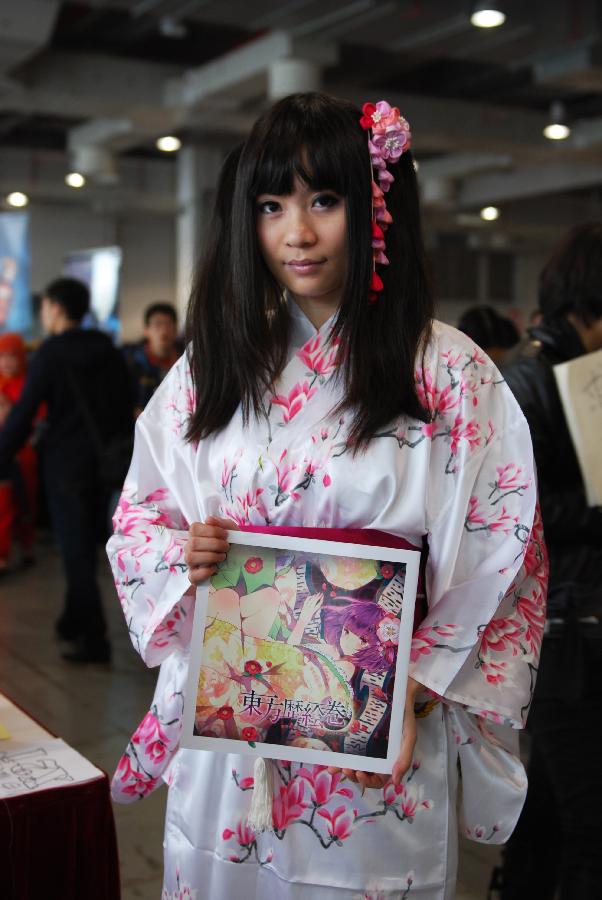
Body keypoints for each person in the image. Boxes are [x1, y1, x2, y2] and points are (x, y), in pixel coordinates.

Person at [107, 95, 546, 898]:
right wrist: (185, 552)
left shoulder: (448, 372)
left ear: (377, 205)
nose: (295, 234)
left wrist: (412, 691)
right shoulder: (215, 365)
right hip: (235, 722)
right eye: (271, 206)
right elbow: (141, 515)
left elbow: (504, 551)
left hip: (377, 718)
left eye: (324, 201)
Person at [497, 223, 602, 900]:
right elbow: (515, 516)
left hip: (581, 624)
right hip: (561, 637)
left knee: (551, 815)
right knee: (592, 828)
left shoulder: (578, 374)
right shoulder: (528, 382)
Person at [0, 277, 134, 663]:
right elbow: (124, 405)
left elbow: (24, 414)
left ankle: (94, 639)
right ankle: (73, 620)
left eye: (44, 307)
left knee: (75, 554)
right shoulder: (107, 349)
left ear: (56, 308)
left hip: (65, 469)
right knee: (88, 549)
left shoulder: (50, 354)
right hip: (107, 465)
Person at [0, 333, 41, 572]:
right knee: (3, 506)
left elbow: (37, 419)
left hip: (24, 456)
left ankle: (26, 546)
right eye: (2, 357)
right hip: (4, 457)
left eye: (12, 357)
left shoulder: (29, 385)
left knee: (26, 505)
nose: (7, 362)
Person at [122, 302, 182, 416]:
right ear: (146, 330)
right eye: (158, 324)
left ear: (175, 329)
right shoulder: (131, 363)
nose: (164, 330)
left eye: (168, 324)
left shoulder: (185, 362)